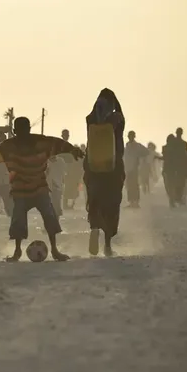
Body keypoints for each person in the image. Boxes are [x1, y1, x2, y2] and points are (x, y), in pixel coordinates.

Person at [0, 117, 84, 262]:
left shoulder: (40, 142)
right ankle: (18, 251)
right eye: (20, 131)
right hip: (20, 190)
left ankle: (54, 249)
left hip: (39, 188)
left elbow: (59, 144)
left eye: (24, 130)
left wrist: (72, 150)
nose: (23, 134)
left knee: (49, 216)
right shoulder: (9, 146)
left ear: (27, 130)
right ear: (15, 131)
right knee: (18, 220)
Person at [84, 88, 125, 256]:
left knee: (95, 199)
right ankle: (107, 244)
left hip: (92, 165)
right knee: (112, 204)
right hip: (113, 167)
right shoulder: (117, 118)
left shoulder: (90, 119)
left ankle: (94, 228)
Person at [158, 134, 187, 207]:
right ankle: (173, 199)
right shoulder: (169, 148)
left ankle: (173, 200)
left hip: (170, 169)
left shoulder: (169, 148)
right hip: (171, 169)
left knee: (170, 185)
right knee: (171, 185)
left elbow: (166, 157)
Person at [46, 129, 73, 216]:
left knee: (56, 203)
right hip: (49, 184)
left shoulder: (66, 150)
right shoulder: (59, 146)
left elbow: (70, 162)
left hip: (59, 181)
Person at [123, 130, 148, 208]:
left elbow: (146, 152)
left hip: (134, 168)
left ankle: (136, 202)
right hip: (128, 168)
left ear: (133, 136)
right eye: (129, 136)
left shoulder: (137, 146)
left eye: (131, 136)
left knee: (134, 185)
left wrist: (139, 157)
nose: (130, 137)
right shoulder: (127, 146)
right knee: (130, 185)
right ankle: (131, 202)